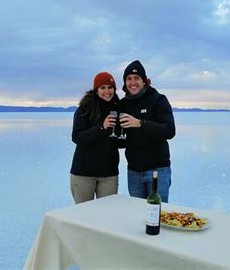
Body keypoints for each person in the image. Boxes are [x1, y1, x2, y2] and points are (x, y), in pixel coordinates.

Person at [119, 60, 175, 202]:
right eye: (129, 79)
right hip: (133, 171)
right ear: (125, 83)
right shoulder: (123, 104)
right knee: (138, 215)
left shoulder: (158, 100)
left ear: (144, 81)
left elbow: (169, 131)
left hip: (158, 171)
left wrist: (140, 123)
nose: (133, 82)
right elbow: (122, 137)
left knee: (159, 215)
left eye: (137, 78)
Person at [70, 72, 120, 204]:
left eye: (110, 87)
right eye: (102, 88)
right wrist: (102, 128)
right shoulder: (85, 109)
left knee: (107, 215)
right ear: (96, 90)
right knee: (83, 216)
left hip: (109, 173)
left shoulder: (118, 108)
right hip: (84, 173)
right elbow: (77, 137)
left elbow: (116, 139)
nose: (107, 91)